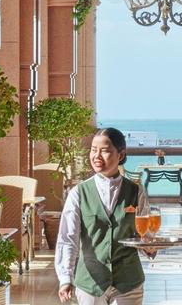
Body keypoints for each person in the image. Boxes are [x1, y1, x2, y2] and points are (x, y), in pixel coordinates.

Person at [56, 128, 147, 304]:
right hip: (91, 282)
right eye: (93, 149)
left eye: (105, 151)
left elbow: (145, 234)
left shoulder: (137, 191)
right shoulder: (78, 193)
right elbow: (67, 239)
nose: (97, 156)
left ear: (121, 155)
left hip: (129, 281)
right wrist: (65, 278)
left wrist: (149, 247)